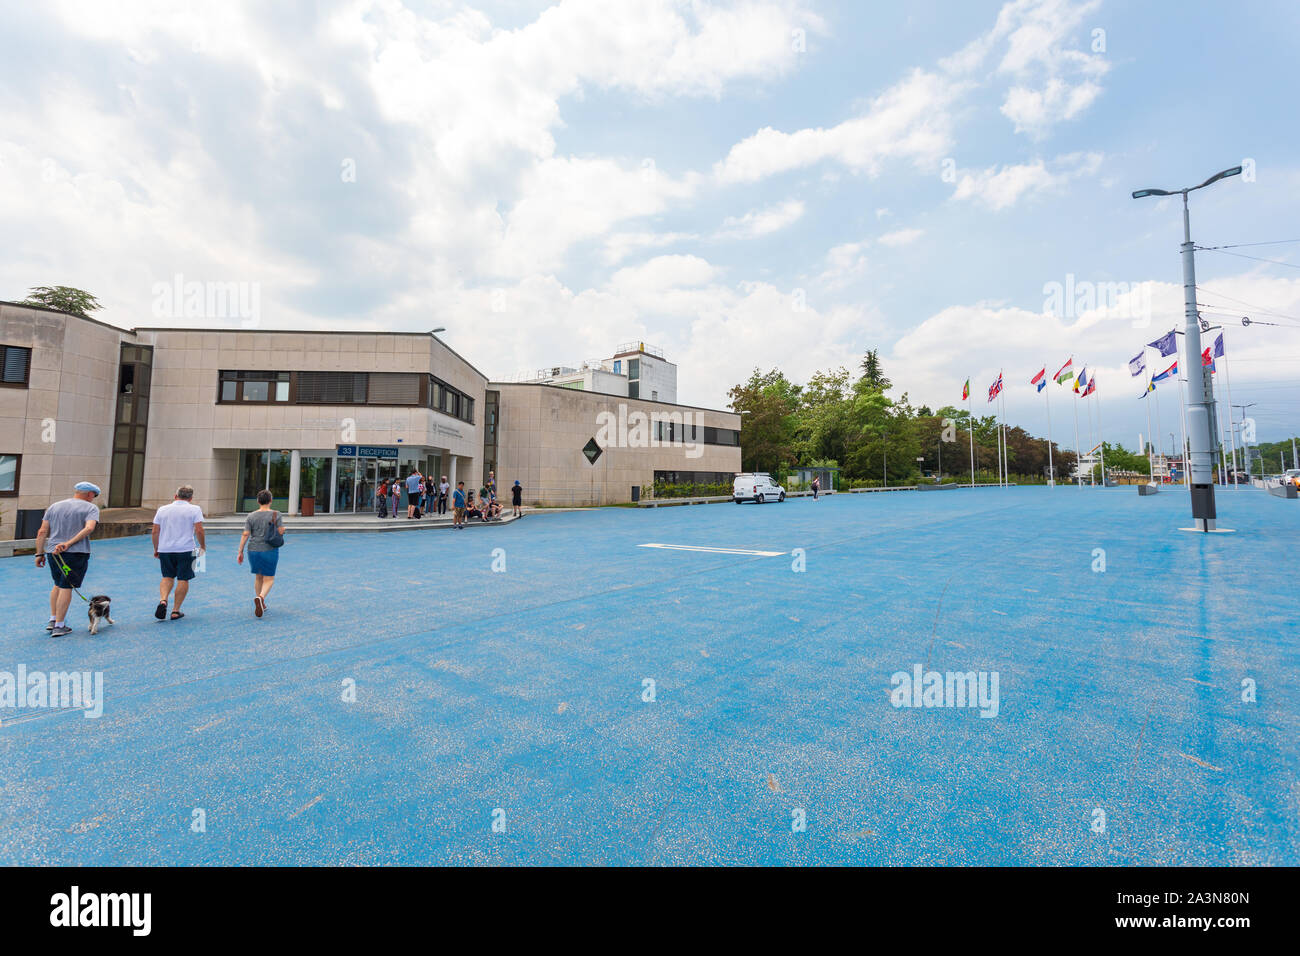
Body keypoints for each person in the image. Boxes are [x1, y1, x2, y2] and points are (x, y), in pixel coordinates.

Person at [34, 481, 101, 637]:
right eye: (94, 496)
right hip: (75, 552)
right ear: (90, 494)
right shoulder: (91, 508)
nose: (94, 499)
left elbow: (42, 531)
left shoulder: (54, 506)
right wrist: (68, 543)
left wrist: (39, 553)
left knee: (57, 584)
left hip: (53, 552)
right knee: (67, 586)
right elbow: (89, 528)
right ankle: (59, 625)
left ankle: (53, 619)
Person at [151, 484, 205, 621]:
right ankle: (175, 610)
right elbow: (199, 530)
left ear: (175, 496)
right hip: (186, 549)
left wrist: (156, 548)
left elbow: (155, 531)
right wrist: (202, 546)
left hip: (165, 548)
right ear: (191, 498)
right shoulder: (195, 509)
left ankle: (163, 600)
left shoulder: (162, 509)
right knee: (183, 578)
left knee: (167, 576)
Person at [237, 490, 285, 617]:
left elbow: (245, 534)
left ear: (258, 501)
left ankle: (260, 601)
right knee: (269, 579)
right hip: (269, 549)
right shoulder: (276, 514)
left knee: (258, 577)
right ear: (270, 500)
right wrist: (282, 530)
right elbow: (280, 531)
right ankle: (261, 598)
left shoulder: (250, 516)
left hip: (253, 549)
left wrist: (240, 551)